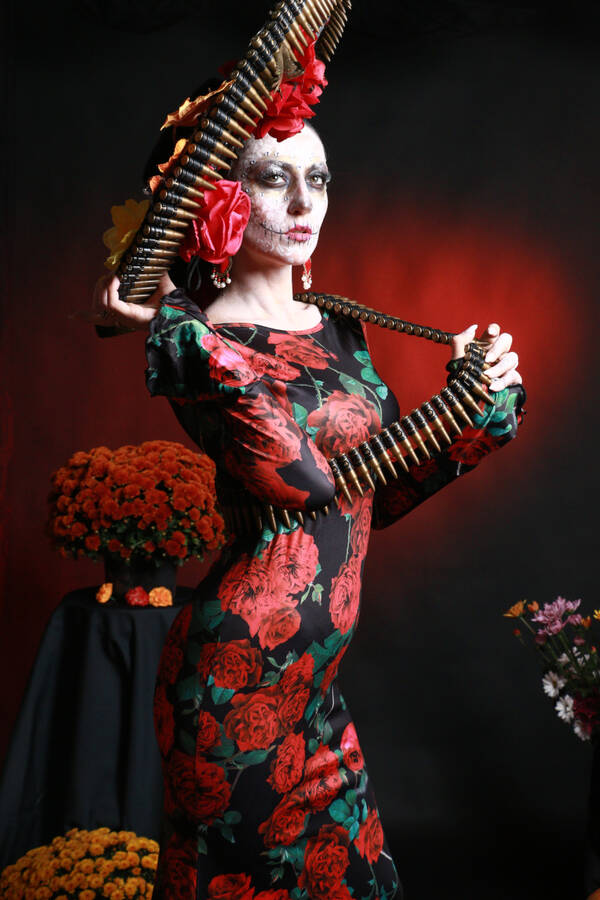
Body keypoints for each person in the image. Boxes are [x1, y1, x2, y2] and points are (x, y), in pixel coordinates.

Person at [90, 122, 523, 900]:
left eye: (317, 178)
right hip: (233, 686)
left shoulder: (337, 324)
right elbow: (303, 480)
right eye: (271, 177)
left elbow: (374, 496)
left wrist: (478, 410)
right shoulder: (205, 346)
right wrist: (172, 317)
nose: (302, 201)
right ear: (219, 197)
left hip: (314, 685)